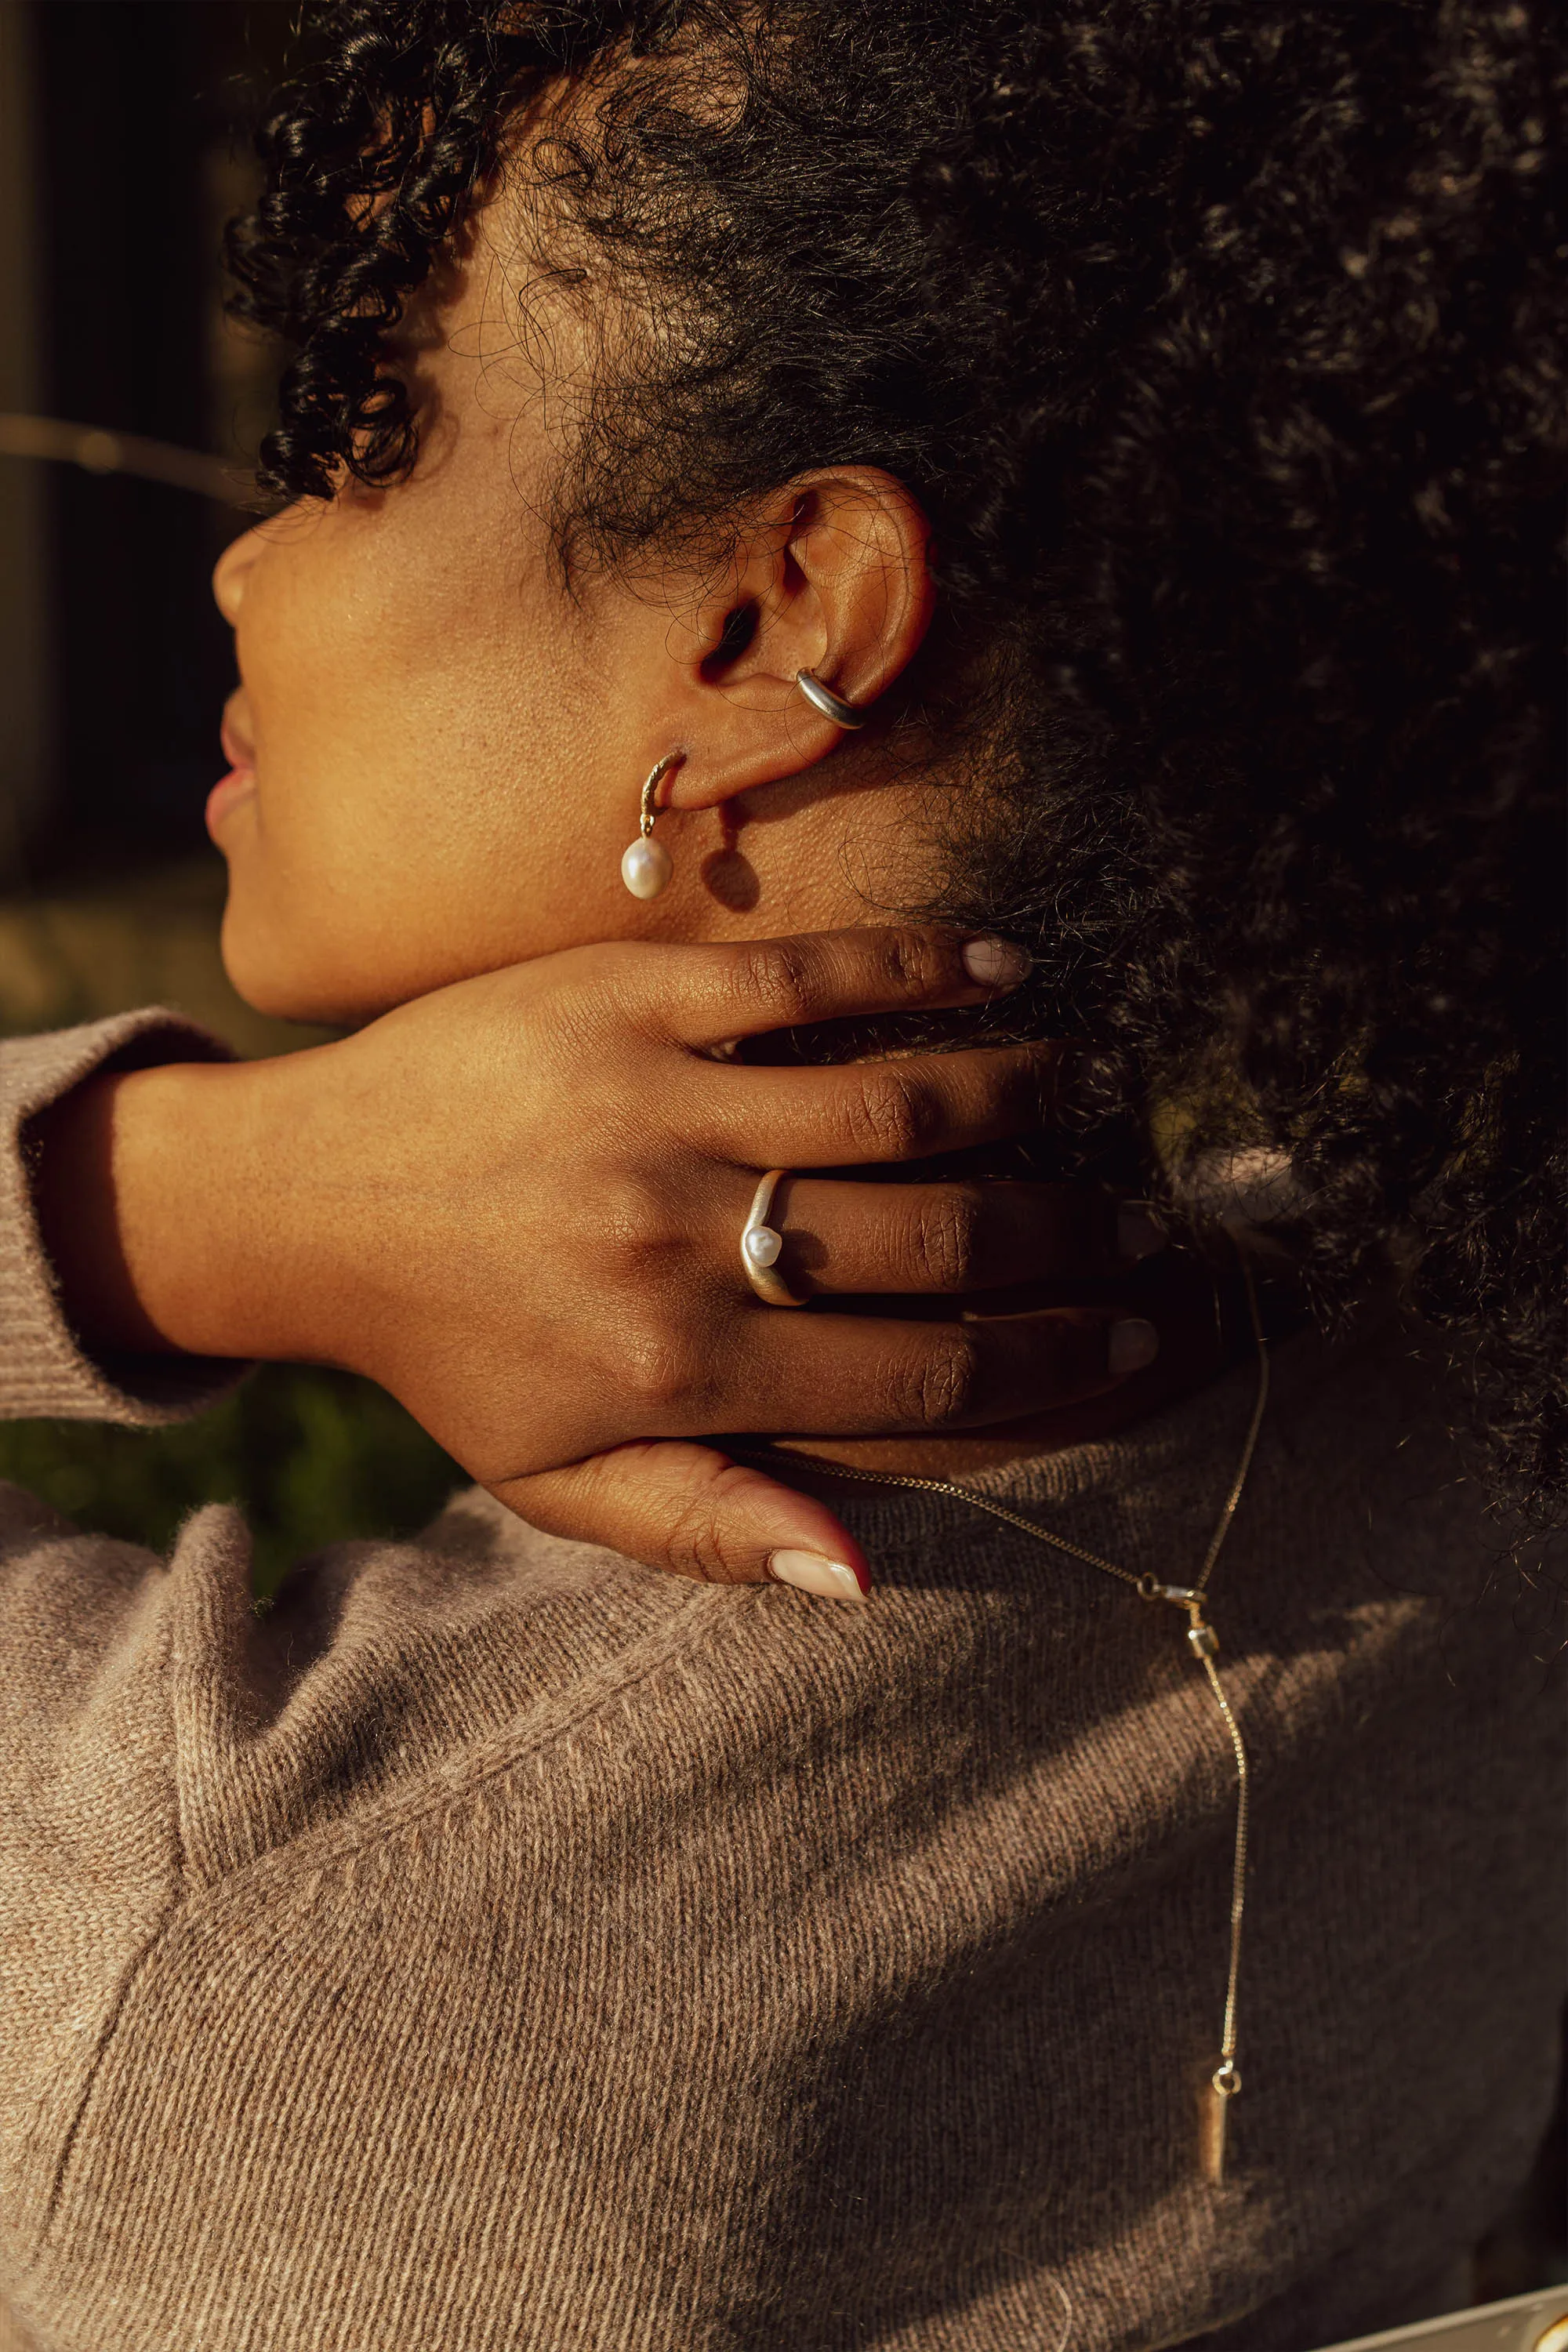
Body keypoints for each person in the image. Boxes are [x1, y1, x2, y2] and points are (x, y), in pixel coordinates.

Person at [0, 5, 1562, 2348]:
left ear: (779, 626)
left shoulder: (222, 1886)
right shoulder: (1457, 1456)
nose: (243, 573)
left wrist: (199, 1195)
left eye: (358, 446)